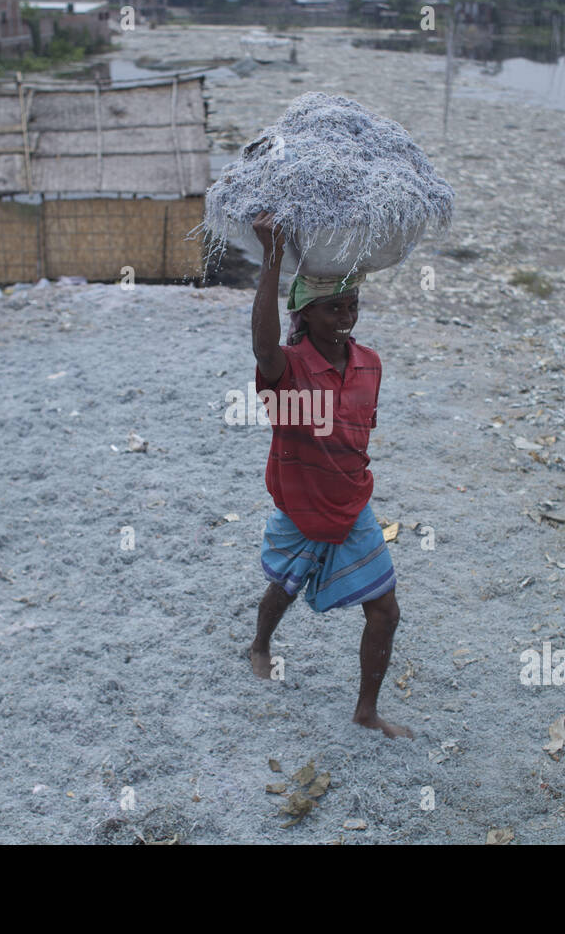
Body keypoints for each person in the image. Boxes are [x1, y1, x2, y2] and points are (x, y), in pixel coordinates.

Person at [247, 211, 412, 739]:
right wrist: (272, 254)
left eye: (351, 305)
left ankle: (366, 712)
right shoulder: (287, 367)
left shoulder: (371, 363)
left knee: (385, 611)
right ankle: (259, 644)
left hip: (352, 504)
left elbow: (360, 433)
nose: (345, 317)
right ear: (304, 313)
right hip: (299, 505)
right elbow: (263, 347)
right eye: (331, 309)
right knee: (283, 587)